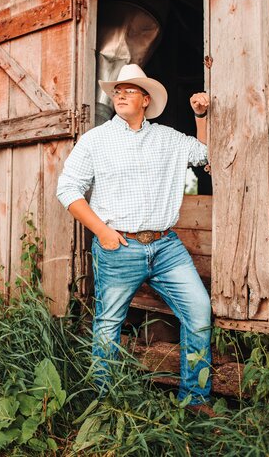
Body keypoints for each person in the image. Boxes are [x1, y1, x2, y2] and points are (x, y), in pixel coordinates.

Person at [56, 63, 212, 413]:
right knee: (109, 324)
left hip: (166, 245)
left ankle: (195, 400)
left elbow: (203, 155)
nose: (120, 93)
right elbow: (67, 189)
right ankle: (106, 405)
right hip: (119, 245)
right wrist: (103, 233)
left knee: (200, 310)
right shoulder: (95, 140)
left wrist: (200, 115)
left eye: (129, 89)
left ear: (146, 99)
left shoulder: (168, 139)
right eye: (117, 90)